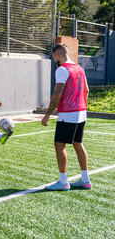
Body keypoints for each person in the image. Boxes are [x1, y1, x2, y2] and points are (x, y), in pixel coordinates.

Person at [42, 44, 91, 191]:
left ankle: (63, 181)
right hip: (82, 112)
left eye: (54, 58)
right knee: (78, 143)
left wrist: (47, 114)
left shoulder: (62, 70)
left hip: (68, 114)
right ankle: (85, 179)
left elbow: (57, 94)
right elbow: (87, 91)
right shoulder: (79, 68)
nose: (55, 60)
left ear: (57, 56)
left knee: (59, 145)